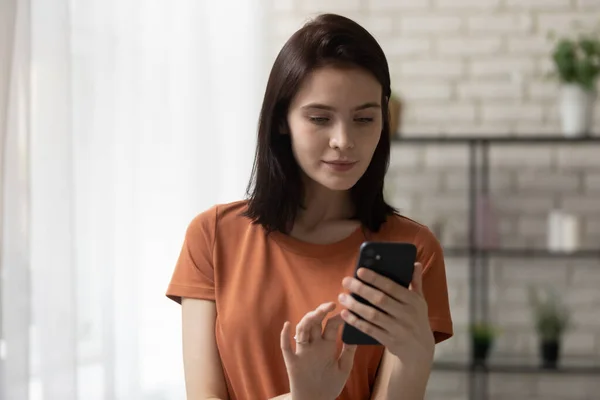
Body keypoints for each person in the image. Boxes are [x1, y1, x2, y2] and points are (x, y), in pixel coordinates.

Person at [166, 13, 453, 400]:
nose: (343, 140)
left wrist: (415, 360)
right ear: (282, 119)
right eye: (320, 118)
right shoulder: (213, 236)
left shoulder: (415, 250)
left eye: (364, 118)